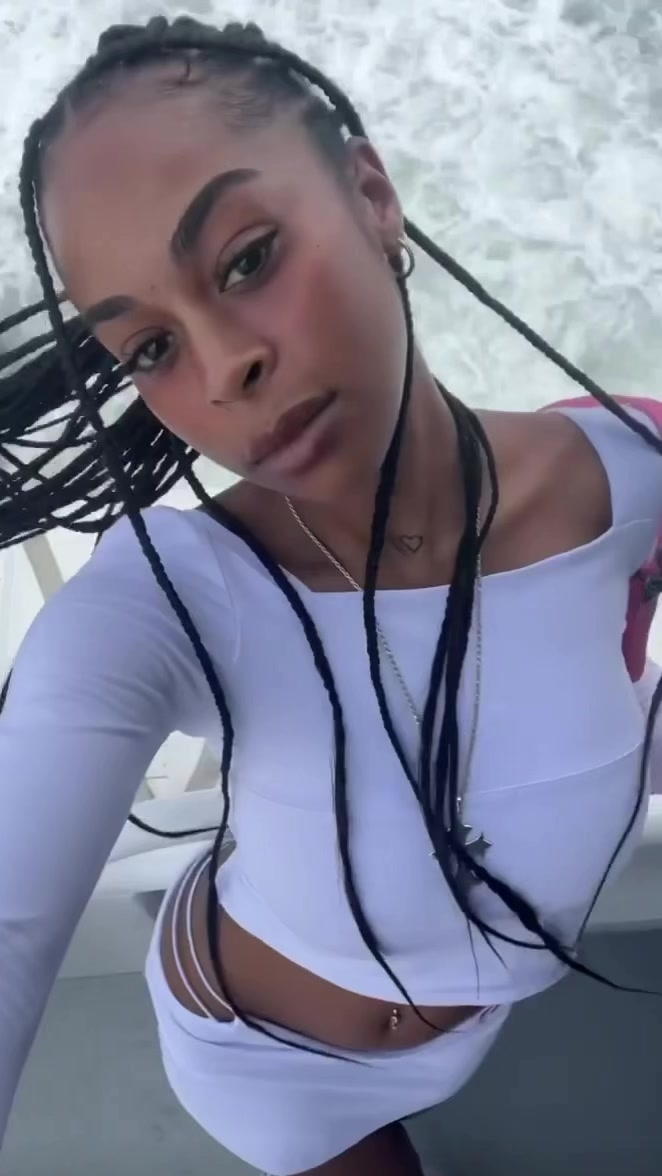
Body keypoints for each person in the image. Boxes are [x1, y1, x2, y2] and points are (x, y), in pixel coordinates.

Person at [1, 14, 661, 1176]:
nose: (224, 367)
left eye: (246, 260)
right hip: (261, 1063)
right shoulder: (173, 595)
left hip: (479, 1026)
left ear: (371, 196)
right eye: (150, 348)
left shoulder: (632, 476)